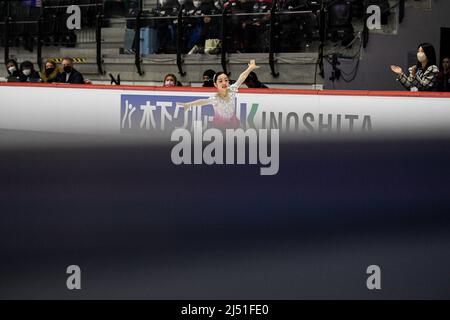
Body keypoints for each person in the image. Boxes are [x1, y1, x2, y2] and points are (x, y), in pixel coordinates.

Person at [177, 59, 260, 129]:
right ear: (215, 84)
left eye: (226, 80)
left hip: (233, 122)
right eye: (220, 81)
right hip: (219, 124)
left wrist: (250, 68)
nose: (224, 83)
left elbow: (241, 78)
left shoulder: (231, 90)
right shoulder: (215, 98)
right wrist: (189, 104)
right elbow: (202, 101)